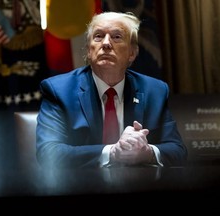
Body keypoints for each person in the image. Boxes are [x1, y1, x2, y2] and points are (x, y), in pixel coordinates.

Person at [36, 11, 187, 169]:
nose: (106, 43)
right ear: (89, 50)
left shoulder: (154, 90)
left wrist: (148, 152)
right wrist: (113, 152)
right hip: (81, 186)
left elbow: (178, 151)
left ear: (132, 53)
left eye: (117, 37)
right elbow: (48, 153)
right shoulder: (58, 90)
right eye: (98, 36)